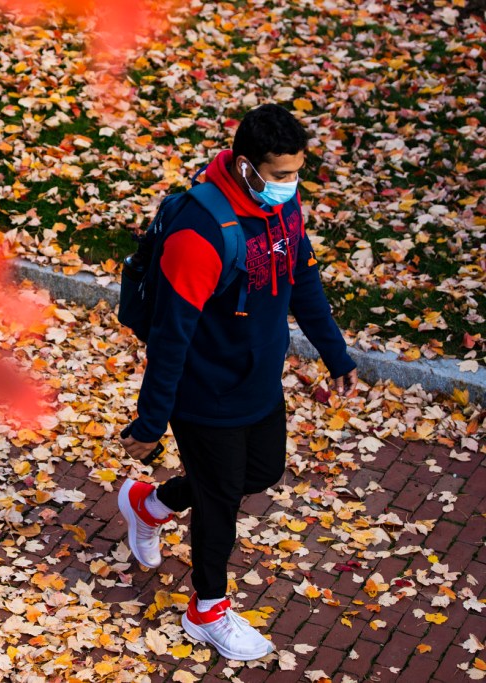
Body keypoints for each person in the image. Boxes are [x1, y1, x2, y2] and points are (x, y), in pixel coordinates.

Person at [117, 103, 358, 661]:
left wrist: (336, 354)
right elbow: (171, 338)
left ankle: (150, 505)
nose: (291, 185)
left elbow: (303, 281)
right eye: (279, 175)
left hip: (258, 380)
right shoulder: (199, 233)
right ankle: (207, 609)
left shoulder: (284, 206)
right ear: (247, 167)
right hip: (204, 390)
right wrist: (152, 422)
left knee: (261, 470)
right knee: (220, 500)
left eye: (297, 172)